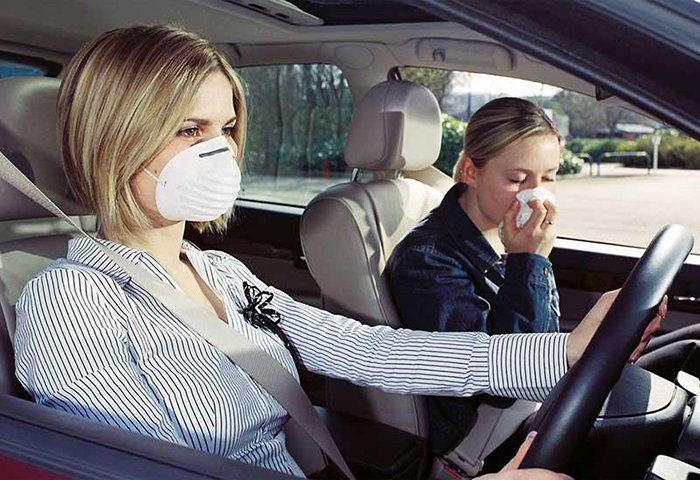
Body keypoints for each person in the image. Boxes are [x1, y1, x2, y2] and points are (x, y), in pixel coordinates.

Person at [11, 25, 660, 480]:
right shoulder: (71, 300)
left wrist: (563, 352)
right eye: (189, 129)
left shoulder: (220, 272)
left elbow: (368, 350)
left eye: (227, 127)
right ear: (114, 138)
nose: (220, 151)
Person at [388, 97, 565, 454]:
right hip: (482, 437)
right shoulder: (428, 260)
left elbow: (546, 338)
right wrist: (529, 261)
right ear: (471, 172)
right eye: (517, 179)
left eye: (548, 177)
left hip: (532, 405)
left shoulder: (505, 233)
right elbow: (509, 378)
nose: (537, 194)